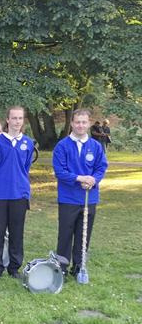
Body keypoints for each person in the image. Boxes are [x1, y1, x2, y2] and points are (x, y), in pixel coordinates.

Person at [53, 109, 108, 276]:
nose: (80, 125)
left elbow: (101, 167)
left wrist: (93, 180)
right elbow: (60, 171)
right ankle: (62, 268)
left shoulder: (95, 146)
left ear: (89, 123)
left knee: (83, 235)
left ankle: (78, 268)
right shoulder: (62, 146)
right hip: (68, 198)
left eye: (84, 122)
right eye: (77, 122)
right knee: (65, 235)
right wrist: (80, 178)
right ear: (71, 123)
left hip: (89, 198)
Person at [0, 106, 35, 281]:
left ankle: (14, 267)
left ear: (23, 120)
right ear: (7, 120)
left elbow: (25, 167)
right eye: (14, 118)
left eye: (20, 118)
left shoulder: (28, 143)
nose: (17, 121)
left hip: (19, 194)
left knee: (17, 232)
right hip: (0, 194)